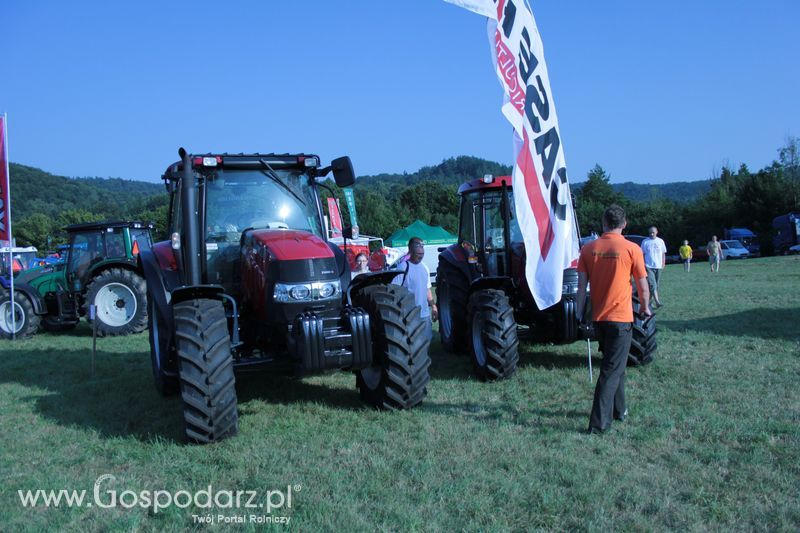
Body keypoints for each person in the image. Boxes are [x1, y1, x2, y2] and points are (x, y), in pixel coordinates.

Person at [576, 205, 651, 434]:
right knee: (610, 370)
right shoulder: (632, 249)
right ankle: (598, 425)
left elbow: (581, 288)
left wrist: (580, 314)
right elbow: (642, 286)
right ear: (624, 224)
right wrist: (645, 307)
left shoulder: (588, 249)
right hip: (621, 320)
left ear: (603, 223)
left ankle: (620, 410)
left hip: (599, 319)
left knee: (615, 365)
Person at [392, 237, 438, 341]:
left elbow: (427, 289)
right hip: (409, 316)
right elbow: (394, 290)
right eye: (418, 255)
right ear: (410, 251)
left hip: (425, 315)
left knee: (426, 344)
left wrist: (433, 306)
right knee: (412, 345)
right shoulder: (403, 267)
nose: (421, 257)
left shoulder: (424, 268)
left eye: (422, 254)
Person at [640, 226, 666, 307]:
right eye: (650, 233)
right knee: (652, 284)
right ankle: (657, 302)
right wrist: (643, 264)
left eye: (653, 232)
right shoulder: (645, 242)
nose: (651, 234)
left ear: (656, 232)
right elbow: (642, 254)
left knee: (656, 285)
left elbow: (663, 253)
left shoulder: (660, 241)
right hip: (648, 266)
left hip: (658, 266)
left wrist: (663, 263)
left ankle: (649, 303)